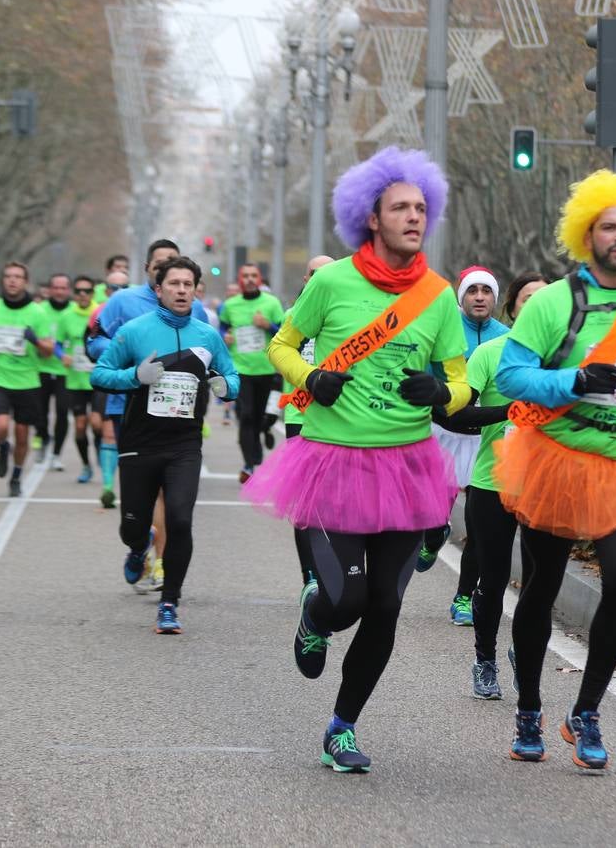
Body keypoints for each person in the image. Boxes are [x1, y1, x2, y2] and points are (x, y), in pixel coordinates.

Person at [246, 146, 468, 773]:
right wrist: (310, 377)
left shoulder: (438, 296)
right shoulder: (332, 282)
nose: (414, 217)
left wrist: (441, 393)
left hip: (407, 467)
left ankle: (341, 728)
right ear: (371, 218)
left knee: (386, 607)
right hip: (333, 461)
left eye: (421, 208)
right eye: (400, 208)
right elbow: (281, 344)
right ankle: (315, 617)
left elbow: (460, 383)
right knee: (347, 598)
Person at [493, 171, 616, 770]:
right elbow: (511, 375)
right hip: (558, 459)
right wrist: (573, 381)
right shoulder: (552, 303)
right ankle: (529, 707)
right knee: (542, 587)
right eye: (609, 227)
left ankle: (586, 713)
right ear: (587, 235)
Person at [91, 256, 237, 634]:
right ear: (158, 290)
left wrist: (226, 387)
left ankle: (169, 601)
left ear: (196, 291)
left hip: (184, 444)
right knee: (132, 526)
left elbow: (231, 375)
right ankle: (139, 546)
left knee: (181, 519)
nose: (181, 290)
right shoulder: (135, 331)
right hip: (139, 443)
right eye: (174, 283)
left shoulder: (207, 336)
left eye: (188, 284)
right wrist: (134, 376)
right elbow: (100, 374)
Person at [443, 271, 546, 699]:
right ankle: (485, 659)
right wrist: (508, 413)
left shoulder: (565, 358)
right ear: (514, 308)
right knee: (493, 575)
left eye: (545, 299)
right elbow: (456, 415)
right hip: (493, 481)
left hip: (546, 484)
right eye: (528, 299)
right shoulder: (490, 353)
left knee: (540, 584)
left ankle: (525, 652)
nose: (537, 306)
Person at [88, 240, 209, 591]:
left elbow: (208, 356)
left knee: (171, 499)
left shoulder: (196, 310)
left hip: (179, 417)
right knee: (140, 505)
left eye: (173, 263)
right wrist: (130, 359)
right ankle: (140, 542)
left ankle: (161, 566)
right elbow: (94, 343)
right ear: (150, 271)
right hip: (129, 406)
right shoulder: (123, 301)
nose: (168, 270)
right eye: (160, 264)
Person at [416, 266, 511, 628]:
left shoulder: (507, 339)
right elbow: (424, 376)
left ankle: (463, 597)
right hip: (444, 432)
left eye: (487, 291)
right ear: (462, 297)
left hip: (485, 440)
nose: (480, 297)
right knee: (435, 510)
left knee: (477, 526)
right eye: (473, 291)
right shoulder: (445, 330)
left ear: (495, 298)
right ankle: (433, 536)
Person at [0, 261, 55, 497]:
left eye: (18, 277)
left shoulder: (38, 313)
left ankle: (17, 476)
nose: (12, 280)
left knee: (22, 435)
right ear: (3, 280)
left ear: (25, 282)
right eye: (8, 276)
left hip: (27, 381)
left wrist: (35, 340)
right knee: (0, 426)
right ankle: (3, 447)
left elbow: (49, 351)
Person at [280, 254, 335, 584]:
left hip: (340, 419)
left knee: (335, 501)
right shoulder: (293, 316)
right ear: (306, 279)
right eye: (315, 274)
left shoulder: (349, 318)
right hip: (300, 416)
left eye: (328, 273)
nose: (321, 279)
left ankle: (337, 570)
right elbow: (280, 357)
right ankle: (310, 577)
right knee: (306, 501)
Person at [219, 263, 285, 484]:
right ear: (240, 279)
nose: (249, 279)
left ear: (259, 279)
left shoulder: (272, 303)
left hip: (266, 369)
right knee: (246, 415)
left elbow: (285, 333)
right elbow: (222, 327)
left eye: (253, 275)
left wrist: (268, 326)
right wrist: (224, 337)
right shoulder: (230, 305)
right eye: (245, 275)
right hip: (241, 369)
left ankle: (261, 435)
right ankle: (249, 463)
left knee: (259, 417)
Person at [88, 270, 130, 502]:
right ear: (106, 291)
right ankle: (107, 487)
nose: (119, 292)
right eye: (114, 288)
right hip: (110, 378)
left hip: (137, 380)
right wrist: (116, 349)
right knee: (106, 431)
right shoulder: (99, 312)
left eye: (124, 287)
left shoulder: (138, 309)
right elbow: (90, 346)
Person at [60, 275, 98, 483]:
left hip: (98, 380)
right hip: (75, 381)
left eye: (87, 291)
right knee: (81, 426)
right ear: (74, 294)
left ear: (93, 293)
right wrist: (61, 355)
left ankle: (102, 454)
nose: (83, 294)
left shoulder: (101, 312)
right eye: (79, 291)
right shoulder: (66, 316)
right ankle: (86, 465)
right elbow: (56, 343)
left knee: (97, 424)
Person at [36, 274, 73, 468]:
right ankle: (43, 437)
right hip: (41, 368)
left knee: (62, 412)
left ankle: (56, 454)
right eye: (56, 288)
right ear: (49, 290)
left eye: (63, 288)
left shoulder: (74, 310)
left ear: (69, 290)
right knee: (39, 413)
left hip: (66, 372)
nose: (59, 291)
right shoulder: (39, 310)